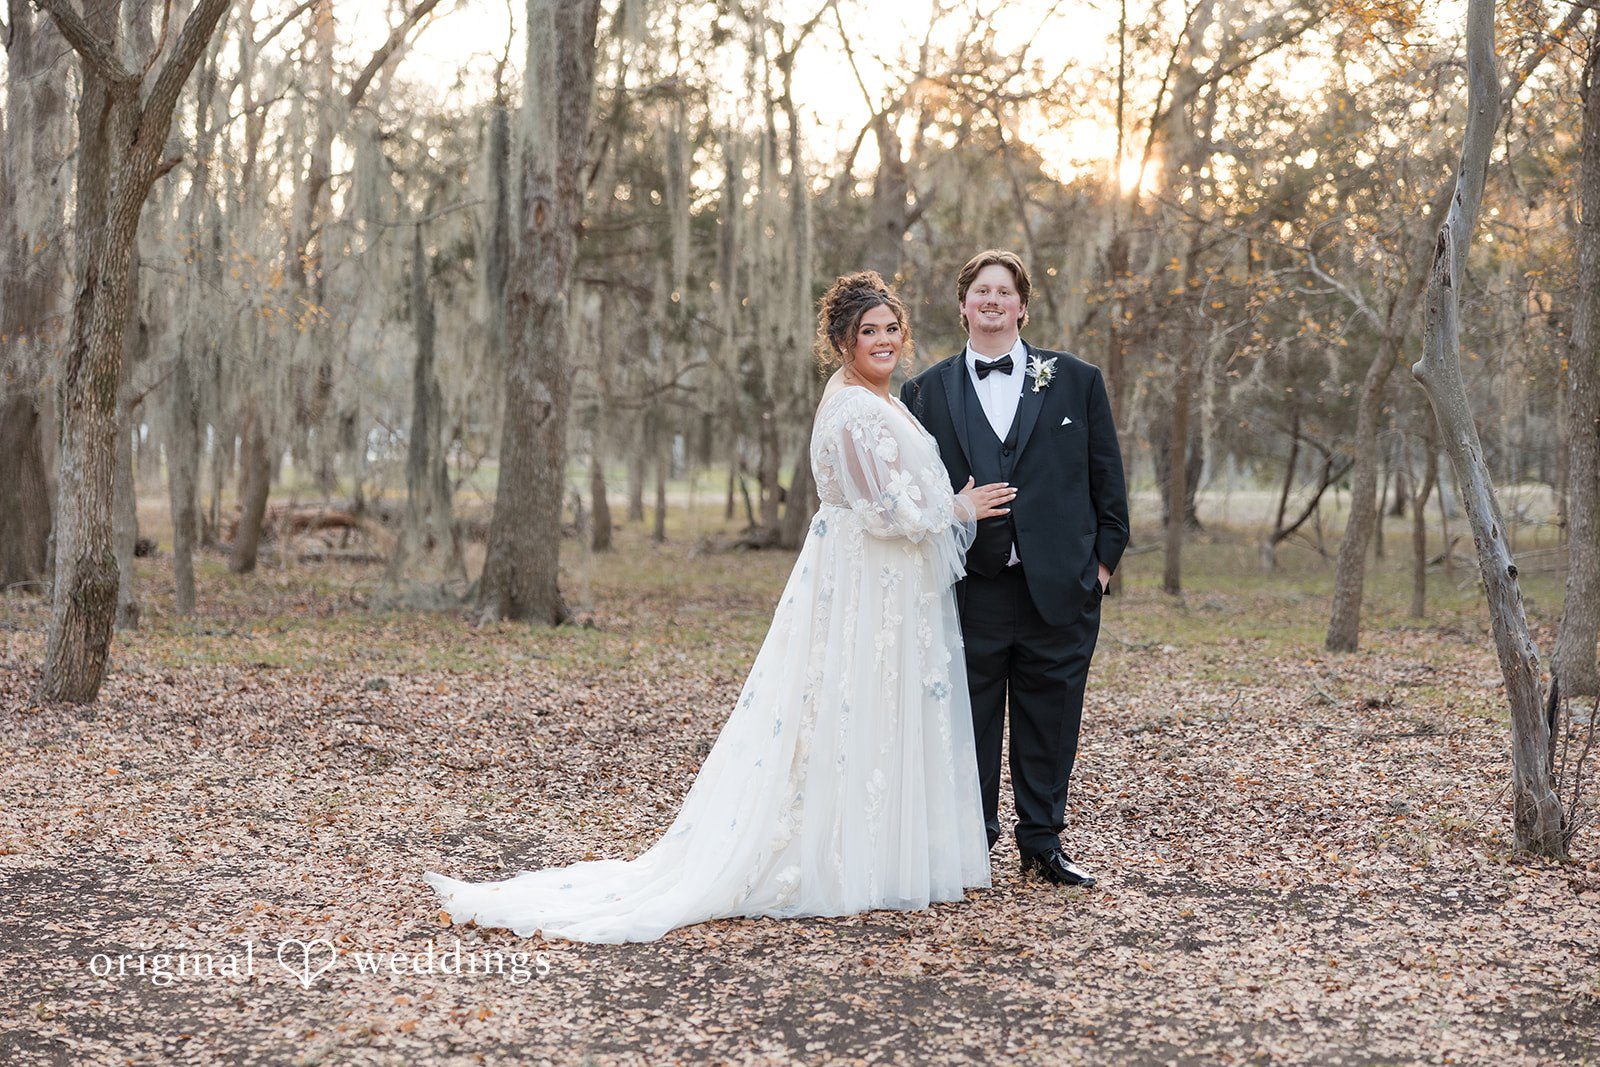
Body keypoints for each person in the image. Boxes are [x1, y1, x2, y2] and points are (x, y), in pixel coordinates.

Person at [423, 271, 1014, 943]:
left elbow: (897, 492)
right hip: (864, 585)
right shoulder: (851, 408)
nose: (882, 340)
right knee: (850, 709)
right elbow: (882, 510)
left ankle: (880, 848)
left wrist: (941, 503)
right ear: (842, 343)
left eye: (890, 328)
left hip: (887, 589)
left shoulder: (883, 399)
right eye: (866, 332)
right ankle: (840, 857)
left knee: (873, 709)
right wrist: (958, 507)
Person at [900, 249, 1129, 888]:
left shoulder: (1076, 380)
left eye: (1004, 291)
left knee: (1050, 716)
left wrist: (1102, 568)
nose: (993, 301)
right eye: (981, 291)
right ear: (964, 305)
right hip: (971, 585)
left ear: (1022, 306)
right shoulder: (926, 391)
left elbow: (1107, 479)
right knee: (967, 720)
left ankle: (1043, 845)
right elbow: (917, 492)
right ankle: (974, 844)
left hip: (1060, 586)